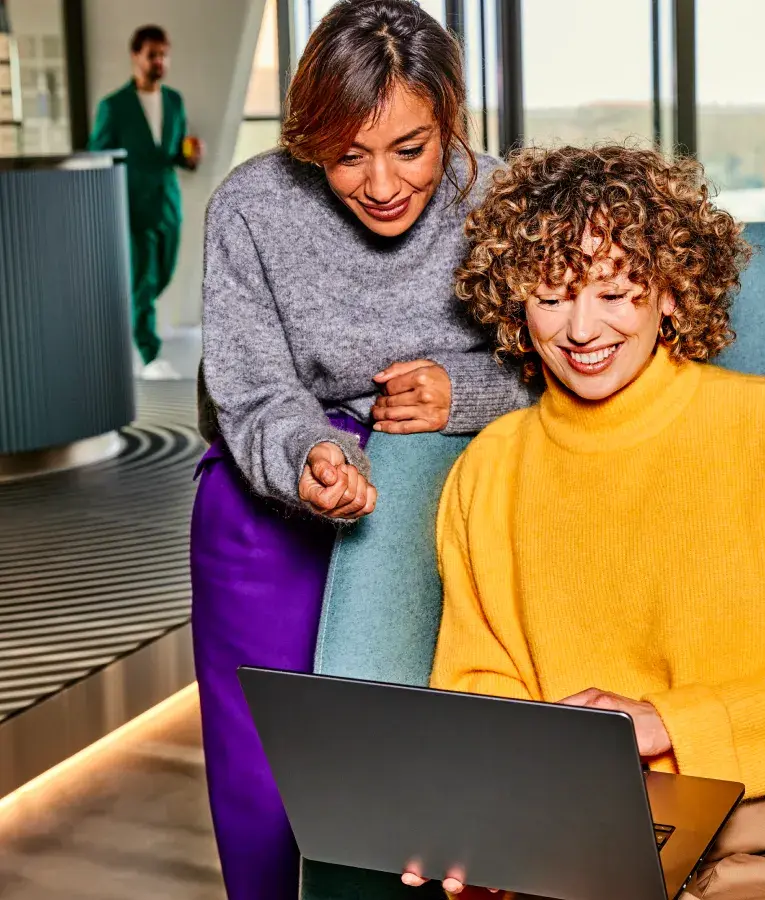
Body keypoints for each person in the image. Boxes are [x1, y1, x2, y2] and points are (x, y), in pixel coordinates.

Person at [407, 146, 765, 900]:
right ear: (514, 305)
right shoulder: (488, 472)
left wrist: (665, 723)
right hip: (573, 836)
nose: (580, 328)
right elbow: (481, 685)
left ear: (671, 290)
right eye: (551, 295)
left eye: (613, 291)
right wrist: (476, 815)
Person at [190, 2, 529, 898]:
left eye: (410, 149)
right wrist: (308, 458)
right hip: (270, 500)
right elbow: (254, 390)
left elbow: (567, 358)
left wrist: (470, 393)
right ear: (311, 141)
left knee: (424, 771)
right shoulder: (252, 209)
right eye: (347, 155)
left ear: (449, 121)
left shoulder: (499, 201)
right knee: (268, 783)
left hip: (445, 490)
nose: (381, 183)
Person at [89, 24, 203, 380]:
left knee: (160, 276)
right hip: (132, 206)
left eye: (164, 54)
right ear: (135, 56)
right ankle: (150, 354)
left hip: (167, 204)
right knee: (142, 280)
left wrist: (190, 158)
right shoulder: (114, 106)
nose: (160, 61)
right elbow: (98, 157)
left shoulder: (174, 101)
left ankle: (131, 320)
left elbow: (174, 154)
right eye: (152, 54)